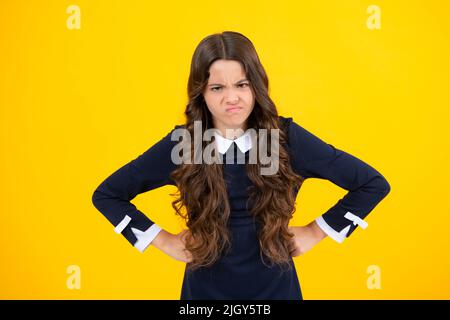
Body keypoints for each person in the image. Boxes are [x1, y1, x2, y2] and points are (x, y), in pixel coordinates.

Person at [91, 31, 391, 300]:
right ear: (201, 94)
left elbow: (372, 184)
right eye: (217, 88)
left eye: (241, 84)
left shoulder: (285, 138)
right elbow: (107, 194)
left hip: (277, 292)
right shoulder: (184, 144)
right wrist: (163, 241)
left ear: (256, 86)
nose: (231, 98)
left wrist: (317, 231)